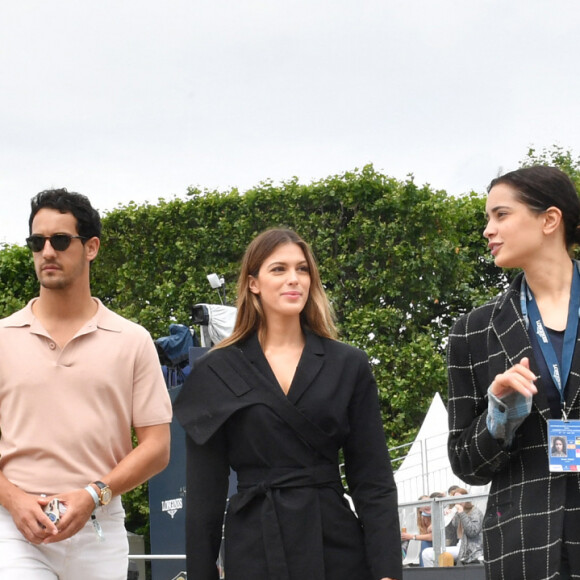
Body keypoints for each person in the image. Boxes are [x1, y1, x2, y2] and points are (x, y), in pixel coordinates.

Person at [174, 228, 402, 580]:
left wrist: (387, 571)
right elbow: (205, 494)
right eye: (279, 269)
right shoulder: (215, 371)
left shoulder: (348, 363)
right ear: (253, 283)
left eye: (303, 269)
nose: (294, 279)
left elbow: (372, 478)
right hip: (254, 545)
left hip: (335, 543)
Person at [0, 189, 173, 579]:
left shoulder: (132, 340)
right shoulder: (2, 338)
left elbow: (158, 447)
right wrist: (13, 500)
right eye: (36, 241)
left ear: (91, 247)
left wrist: (94, 494)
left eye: (60, 240)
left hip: (100, 526)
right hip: (14, 530)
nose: (47, 252)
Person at [447, 166, 580, 579]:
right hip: (523, 543)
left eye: (501, 215)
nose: (488, 230)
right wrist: (499, 415)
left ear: (549, 219)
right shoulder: (472, 331)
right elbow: (466, 464)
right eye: (488, 218)